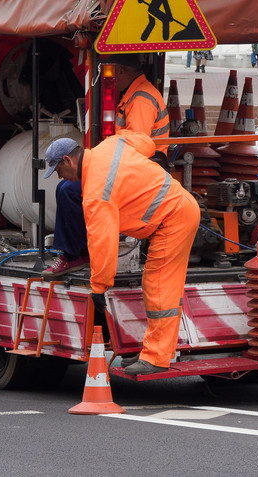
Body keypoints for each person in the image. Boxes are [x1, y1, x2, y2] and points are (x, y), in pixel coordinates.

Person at [43, 133, 200, 375]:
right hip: (175, 210)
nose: (60, 177)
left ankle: (156, 357)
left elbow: (102, 242)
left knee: (159, 288)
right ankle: (156, 350)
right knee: (157, 286)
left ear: (67, 160)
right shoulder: (109, 144)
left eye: (58, 170)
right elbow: (144, 142)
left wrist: (99, 286)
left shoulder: (96, 191)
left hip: (173, 219)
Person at [48, 55, 168, 276]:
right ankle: (79, 251)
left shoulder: (141, 99)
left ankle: (74, 255)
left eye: (112, 74)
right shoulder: (136, 94)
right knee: (68, 189)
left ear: (121, 71)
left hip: (134, 174)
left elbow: (137, 147)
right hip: (130, 169)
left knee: (68, 191)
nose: (108, 80)